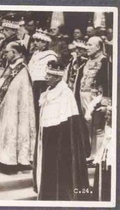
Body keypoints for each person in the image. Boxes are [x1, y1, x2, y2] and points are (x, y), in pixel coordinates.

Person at [33, 60, 90, 200]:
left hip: (59, 141)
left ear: (58, 77)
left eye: (49, 75)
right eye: (46, 74)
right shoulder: (48, 91)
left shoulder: (65, 94)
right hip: (47, 137)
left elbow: (69, 127)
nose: (45, 77)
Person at [0, 41, 36, 174]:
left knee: (12, 129)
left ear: (14, 53)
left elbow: (19, 91)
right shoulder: (11, 66)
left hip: (15, 108)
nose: (5, 54)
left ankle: (11, 162)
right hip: (6, 106)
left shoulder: (22, 69)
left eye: (7, 52)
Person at [80, 36, 111, 163]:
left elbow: (107, 82)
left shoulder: (104, 61)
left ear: (98, 47)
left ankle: (98, 155)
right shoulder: (87, 61)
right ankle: (92, 154)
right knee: (89, 126)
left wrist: (104, 100)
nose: (87, 47)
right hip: (84, 96)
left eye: (90, 45)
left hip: (96, 97)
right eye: (87, 44)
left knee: (98, 127)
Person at [28, 28, 57, 130]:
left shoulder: (51, 56)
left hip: (42, 86)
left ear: (45, 43)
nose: (35, 43)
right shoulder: (35, 54)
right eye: (35, 40)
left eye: (38, 41)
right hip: (32, 84)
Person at [63, 41, 88, 112]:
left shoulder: (87, 63)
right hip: (70, 88)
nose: (77, 51)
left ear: (85, 51)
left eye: (80, 49)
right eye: (76, 49)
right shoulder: (72, 61)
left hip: (80, 91)